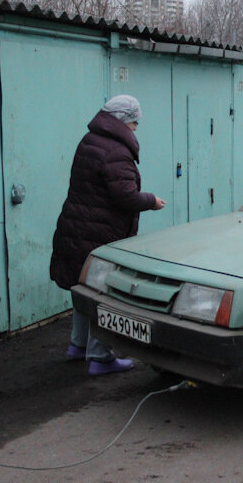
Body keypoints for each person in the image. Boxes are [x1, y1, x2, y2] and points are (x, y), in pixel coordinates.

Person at [50, 95, 166, 376]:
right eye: (135, 121)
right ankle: (100, 357)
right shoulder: (115, 149)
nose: (137, 127)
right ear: (124, 120)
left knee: (83, 286)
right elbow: (125, 196)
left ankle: (79, 346)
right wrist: (151, 200)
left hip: (78, 226)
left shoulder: (90, 139)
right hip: (100, 233)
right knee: (104, 293)